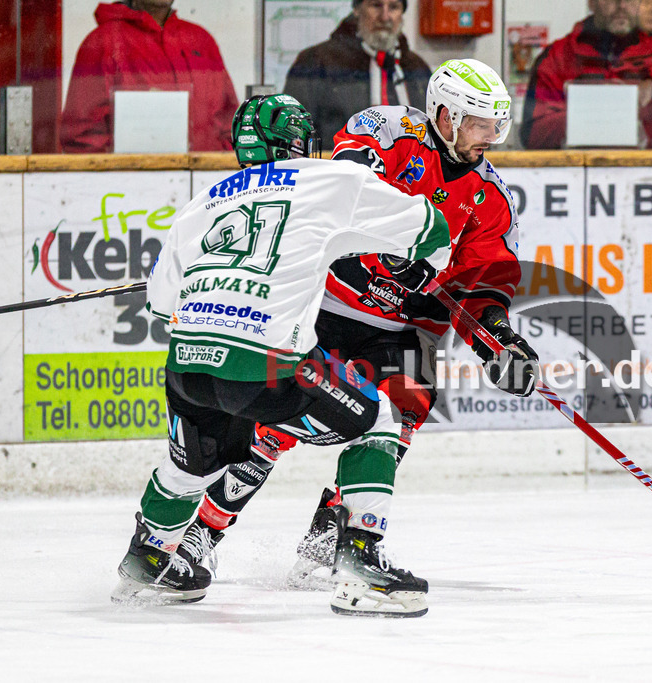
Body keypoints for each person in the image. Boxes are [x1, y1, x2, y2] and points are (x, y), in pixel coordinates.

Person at [173, 59, 539, 590]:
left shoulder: (490, 197)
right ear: (445, 114)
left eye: (497, 125)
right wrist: (383, 247)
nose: (491, 137)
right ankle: (197, 538)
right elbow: (334, 195)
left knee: (402, 410)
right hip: (326, 305)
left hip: (401, 328)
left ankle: (338, 542)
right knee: (274, 425)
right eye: (481, 124)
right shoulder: (386, 131)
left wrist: (499, 339)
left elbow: (482, 282)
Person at [112, 94, 454, 619]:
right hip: (268, 365)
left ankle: (148, 558)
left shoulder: (199, 204)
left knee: (193, 464)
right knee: (379, 417)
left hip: (187, 368)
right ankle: (361, 561)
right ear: (298, 143)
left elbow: (162, 303)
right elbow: (433, 229)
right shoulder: (329, 181)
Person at [519, 0, 652, 150]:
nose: (621, 6)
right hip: (576, 175)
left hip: (649, 177)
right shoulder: (557, 57)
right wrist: (603, 108)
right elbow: (532, 134)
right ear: (591, 2)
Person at [61, 1, 238, 153]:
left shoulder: (201, 41)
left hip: (207, 184)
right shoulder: (103, 42)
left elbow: (232, 128)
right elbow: (81, 139)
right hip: (134, 187)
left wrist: (218, 173)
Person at [284, 0, 432, 143]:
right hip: (336, 166)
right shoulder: (315, 62)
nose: (385, 17)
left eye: (393, 7)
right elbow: (291, 132)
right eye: (376, 5)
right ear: (357, 9)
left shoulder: (416, 68)